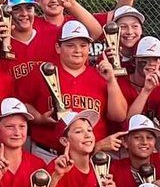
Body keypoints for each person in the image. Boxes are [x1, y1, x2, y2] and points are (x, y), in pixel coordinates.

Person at [20, 21, 128, 159]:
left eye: (83, 45)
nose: (78, 50)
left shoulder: (101, 76)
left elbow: (119, 116)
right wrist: (40, 119)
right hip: (47, 153)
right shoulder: (42, 72)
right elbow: (23, 105)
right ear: (58, 47)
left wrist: (112, 80)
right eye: (71, 45)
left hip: (90, 155)